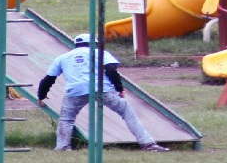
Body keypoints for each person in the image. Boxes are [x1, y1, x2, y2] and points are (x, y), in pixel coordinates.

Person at [37, 33, 169, 152]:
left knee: (66, 119)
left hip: (75, 91)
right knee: (126, 111)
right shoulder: (100, 52)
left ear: (76, 45)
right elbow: (111, 70)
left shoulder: (62, 57)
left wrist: (41, 95)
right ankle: (148, 144)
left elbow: (48, 79)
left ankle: (63, 147)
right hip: (101, 89)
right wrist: (119, 88)